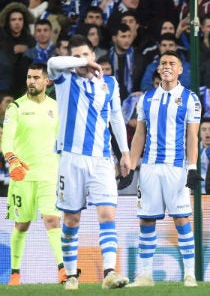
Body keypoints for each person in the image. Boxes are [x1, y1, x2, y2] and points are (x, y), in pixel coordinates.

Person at [47, 35, 132, 290]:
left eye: (87, 55)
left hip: (102, 159)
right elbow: (52, 61)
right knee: (71, 220)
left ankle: (109, 273)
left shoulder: (109, 84)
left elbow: (116, 117)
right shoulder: (64, 79)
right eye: (77, 57)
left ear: (95, 55)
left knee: (107, 213)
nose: (83, 61)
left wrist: (125, 152)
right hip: (71, 159)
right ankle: (71, 275)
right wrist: (78, 61)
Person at [127, 50, 201, 287]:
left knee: (181, 219)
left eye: (172, 63)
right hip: (149, 167)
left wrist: (192, 167)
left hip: (176, 168)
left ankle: (190, 273)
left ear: (180, 70)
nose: (167, 66)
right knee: (146, 220)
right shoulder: (146, 98)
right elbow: (139, 134)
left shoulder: (190, 99)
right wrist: (130, 163)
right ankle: (145, 275)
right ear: (158, 69)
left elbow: (193, 136)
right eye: (163, 63)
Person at [3, 63, 66, 285]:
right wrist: (12, 162)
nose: (31, 81)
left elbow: (62, 142)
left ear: (46, 81)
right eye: (29, 77)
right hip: (23, 176)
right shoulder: (16, 108)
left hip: (50, 174)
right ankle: (15, 272)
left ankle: (63, 270)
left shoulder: (56, 107)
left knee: (52, 220)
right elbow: (7, 139)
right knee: (22, 224)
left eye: (36, 78)